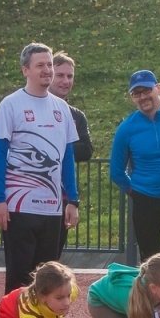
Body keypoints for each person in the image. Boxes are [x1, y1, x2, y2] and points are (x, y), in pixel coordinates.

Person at [0, 42, 81, 314]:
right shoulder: (11, 104)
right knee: (19, 274)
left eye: (49, 65)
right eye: (40, 65)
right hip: (19, 206)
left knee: (49, 276)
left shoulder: (62, 108)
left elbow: (67, 158)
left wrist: (73, 199)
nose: (47, 70)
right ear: (25, 70)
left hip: (52, 207)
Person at [109, 70, 160, 257]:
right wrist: (136, 192)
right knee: (150, 260)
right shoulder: (126, 128)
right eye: (136, 93)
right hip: (146, 203)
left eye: (146, 90)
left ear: (159, 89)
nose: (143, 97)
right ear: (132, 98)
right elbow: (116, 171)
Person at [50, 51, 94, 259]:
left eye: (70, 76)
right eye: (60, 75)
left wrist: (55, 147)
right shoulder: (25, 107)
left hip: (63, 195)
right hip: (29, 196)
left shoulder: (76, 115)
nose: (66, 81)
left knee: (52, 258)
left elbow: (86, 150)